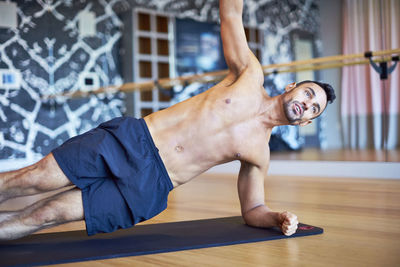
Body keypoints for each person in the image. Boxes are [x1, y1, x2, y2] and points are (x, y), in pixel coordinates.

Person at [0, 0, 335, 241]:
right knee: (36, 176)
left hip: (152, 185)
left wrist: (275, 218)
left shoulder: (259, 153)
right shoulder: (250, 75)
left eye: (314, 109)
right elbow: (230, 12)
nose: (307, 106)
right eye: (308, 95)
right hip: (134, 140)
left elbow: (253, 209)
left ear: (306, 123)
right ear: (292, 86)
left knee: (47, 215)